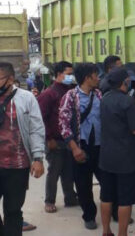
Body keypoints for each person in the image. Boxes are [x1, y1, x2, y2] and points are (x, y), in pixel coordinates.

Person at [99, 68, 135, 236]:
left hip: (106, 157)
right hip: (125, 159)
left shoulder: (105, 99)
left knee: (106, 196)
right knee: (125, 199)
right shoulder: (128, 101)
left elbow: (121, 114)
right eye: (128, 79)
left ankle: (106, 231)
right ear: (124, 82)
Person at [0, 62, 45, 236]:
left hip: (17, 166)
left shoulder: (26, 98)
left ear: (10, 79)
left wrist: (38, 158)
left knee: (13, 210)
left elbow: (36, 129)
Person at [59, 63, 102, 230]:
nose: (98, 79)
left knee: (107, 180)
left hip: (99, 146)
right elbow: (63, 125)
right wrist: (75, 148)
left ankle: (113, 210)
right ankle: (89, 216)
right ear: (87, 78)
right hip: (80, 147)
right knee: (84, 186)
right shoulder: (70, 96)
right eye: (95, 75)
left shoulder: (98, 95)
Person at [38, 61, 79, 213]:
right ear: (58, 75)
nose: (71, 77)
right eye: (69, 74)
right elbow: (40, 118)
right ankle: (49, 201)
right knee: (54, 171)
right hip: (54, 139)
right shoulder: (49, 94)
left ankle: (70, 197)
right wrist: (48, 139)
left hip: (68, 139)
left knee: (68, 170)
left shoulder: (71, 91)